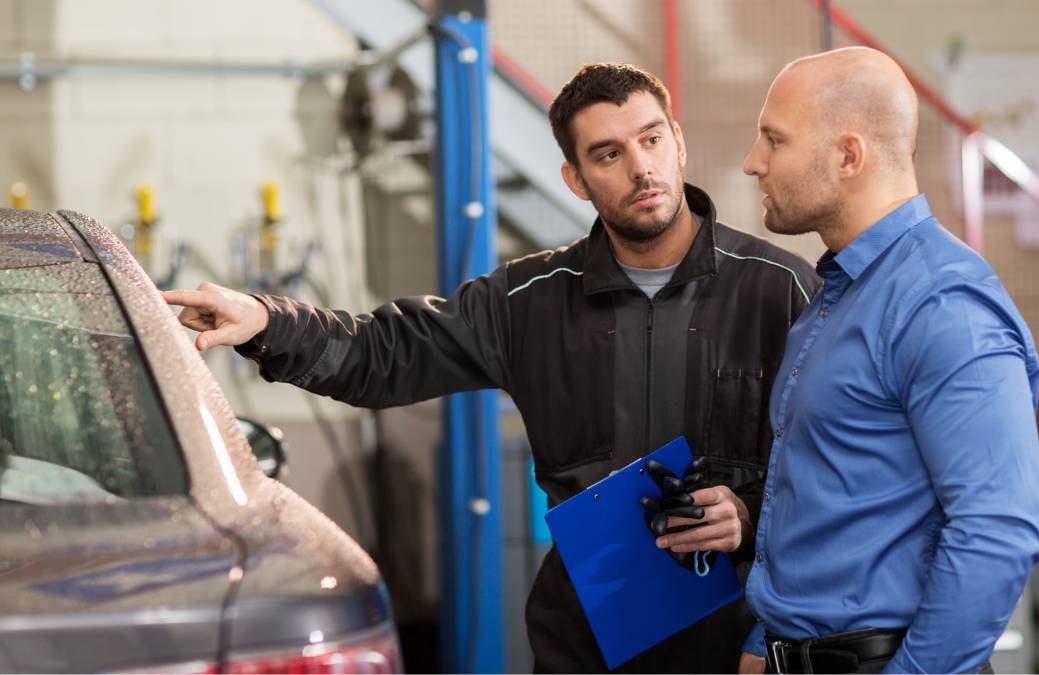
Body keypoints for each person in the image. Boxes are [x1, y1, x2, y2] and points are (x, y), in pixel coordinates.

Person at [163, 62, 820, 673]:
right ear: (575, 178)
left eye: (650, 140)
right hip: (586, 642)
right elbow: (378, 353)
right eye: (609, 154)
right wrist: (267, 321)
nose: (640, 168)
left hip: (737, 644)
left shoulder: (782, 292)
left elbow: (840, 475)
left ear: (677, 141)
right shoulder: (528, 301)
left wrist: (748, 512)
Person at [732, 47, 1039, 674]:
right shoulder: (841, 294)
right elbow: (817, 504)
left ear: (849, 156)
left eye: (774, 140)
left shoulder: (940, 304)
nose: (753, 163)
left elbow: (998, 530)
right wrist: (762, 644)